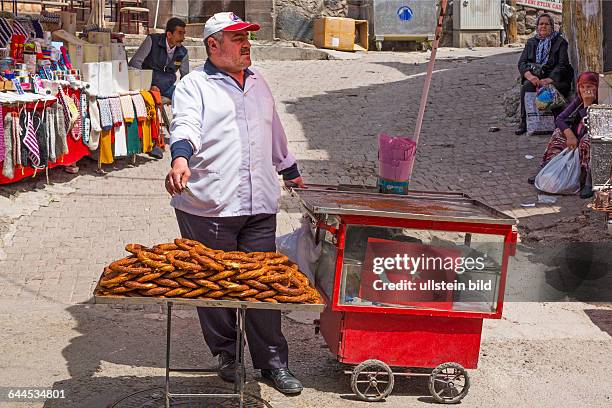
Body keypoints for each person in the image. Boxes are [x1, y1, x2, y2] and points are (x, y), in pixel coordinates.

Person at [165, 12, 306, 395]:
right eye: (237, 38)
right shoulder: (194, 85)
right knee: (214, 286)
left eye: (248, 37)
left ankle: (273, 364)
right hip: (210, 205)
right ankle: (227, 355)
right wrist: (180, 159)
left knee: (263, 286)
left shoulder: (259, 82)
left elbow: (273, 128)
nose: (247, 44)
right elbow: (186, 126)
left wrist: (289, 168)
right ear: (213, 45)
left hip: (259, 203)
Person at [528, 72, 599, 198]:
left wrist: (588, 105)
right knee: (558, 134)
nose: (586, 90)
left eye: (590, 87)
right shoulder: (578, 100)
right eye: (582, 87)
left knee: (588, 140)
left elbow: (592, 129)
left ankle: (589, 180)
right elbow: (560, 118)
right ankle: (547, 168)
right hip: (574, 139)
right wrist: (569, 134)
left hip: (588, 140)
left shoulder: (603, 102)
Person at [129, 17, 188, 159]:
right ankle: (154, 143)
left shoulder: (183, 52)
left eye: (183, 33)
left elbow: (186, 78)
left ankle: (185, 134)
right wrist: (147, 84)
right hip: (147, 85)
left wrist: (187, 92)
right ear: (169, 34)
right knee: (152, 102)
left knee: (188, 98)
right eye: (180, 33)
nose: (183, 37)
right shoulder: (152, 40)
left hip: (167, 86)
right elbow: (135, 63)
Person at [516, 13, 573, 135]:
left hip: (556, 79)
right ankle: (524, 122)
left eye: (547, 24)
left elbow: (562, 65)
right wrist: (530, 76)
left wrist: (549, 79)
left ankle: (555, 122)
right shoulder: (531, 42)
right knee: (527, 87)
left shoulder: (560, 42)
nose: (543, 26)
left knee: (548, 90)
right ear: (537, 26)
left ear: (552, 27)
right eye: (541, 24)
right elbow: (522, 62)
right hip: (536, 77)